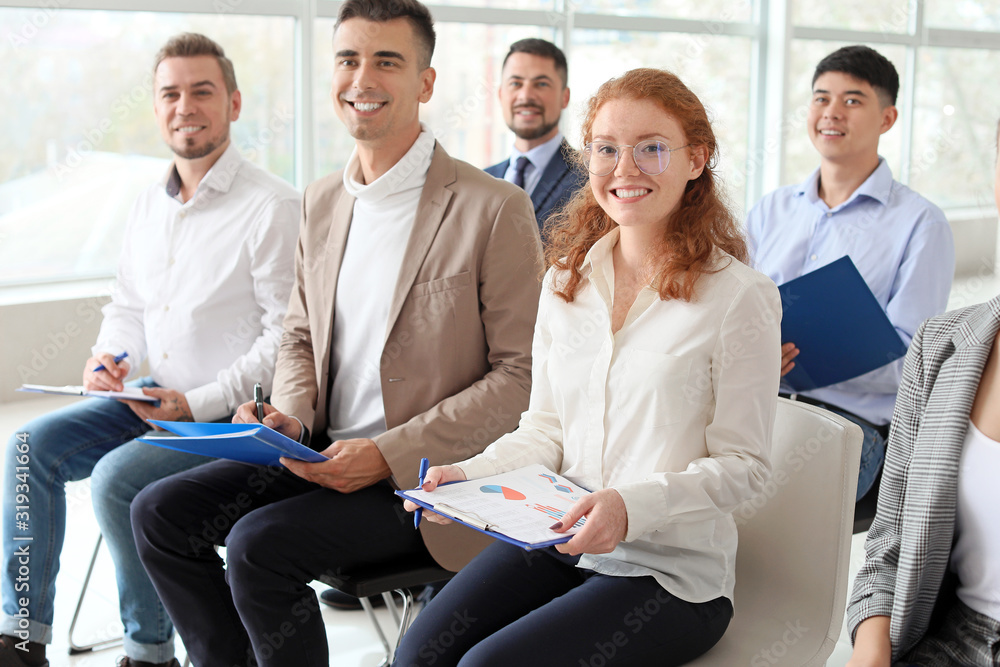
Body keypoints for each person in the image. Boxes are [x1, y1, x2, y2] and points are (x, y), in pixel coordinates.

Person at [130, 2, 543, 666]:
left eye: (387, 61)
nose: (362, 78)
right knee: (157, 512)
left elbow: (522, 377)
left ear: (425, 83)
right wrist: (288, 415)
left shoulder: (493, 208)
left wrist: (385, 452)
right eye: (349, 59)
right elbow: (298, 332)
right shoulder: (321, 201)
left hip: (426, 482)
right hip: (320, 457)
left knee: (258, 544)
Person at [393, 67, 781, 667]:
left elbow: (744, 467)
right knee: (418, 652)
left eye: (651, 149)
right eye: (605, 149)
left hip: (668, 574)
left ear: (697, 159)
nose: (624, 169)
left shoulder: (739, 297)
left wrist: (629, 507)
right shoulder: (565, 282)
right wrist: (468, 473)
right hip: (557, 537)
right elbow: (545, 430)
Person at [0, 33, 299, 667]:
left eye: (201, 91)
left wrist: (196, 402)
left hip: (229, 419)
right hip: (149, 396)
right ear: (156, 105)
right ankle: (22, 634)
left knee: (117, 481)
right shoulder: (146, 204)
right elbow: (128, 308)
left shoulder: (273, 206)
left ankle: (149, 650)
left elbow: (287, 336)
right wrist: (110, 359)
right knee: (30, 447)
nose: (184, 106)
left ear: (235, 103)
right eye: (170, 93)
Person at [746, 45, 955, 501]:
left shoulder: (921, 223)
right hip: (754, 408)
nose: (831, 113)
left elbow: (912, 364)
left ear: (887, 119)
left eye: (852, 100)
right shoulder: (771, 210)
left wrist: (796, 358)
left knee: (755, 510)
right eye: (821, 98)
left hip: (848, 427)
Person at [846, 125, 1000, 667]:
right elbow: (888, 544)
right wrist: (871, 651)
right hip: (951, 639)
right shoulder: (943, 345)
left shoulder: (918, 222)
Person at [484, 38, 584, 234]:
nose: (526, 96)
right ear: (501, 94)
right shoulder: (481, 181)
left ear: (565, 97)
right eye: (516, 83)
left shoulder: (587, 180)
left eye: (541, 84)